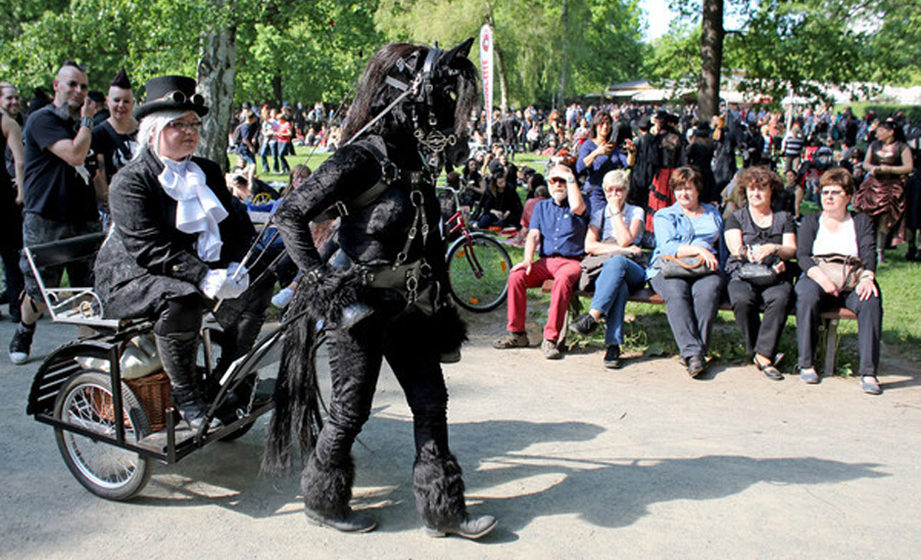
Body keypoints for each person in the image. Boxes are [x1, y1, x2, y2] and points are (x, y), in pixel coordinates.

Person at [266, 40, 496, 539]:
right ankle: (322, 498)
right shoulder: (358, 159)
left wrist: (442, 318)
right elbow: (289, 214)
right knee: (352, 410)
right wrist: (321, 282)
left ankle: (443, 511)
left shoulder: (418, 162)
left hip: (409, 306)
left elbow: (429, 240)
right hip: (359, 307)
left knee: (432, 402)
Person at [94, 74, 260, 430]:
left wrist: (237, 264)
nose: (189, 132)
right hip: (132, 274)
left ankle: (228, 377)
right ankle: (187, 396)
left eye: (194, 124)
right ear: (154, 131)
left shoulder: (208, 171)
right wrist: (203, 276)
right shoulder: (132, 179)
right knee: (182, 298)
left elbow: (232, 223)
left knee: (260, 282)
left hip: (186, 266)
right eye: (178, 125)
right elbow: (147, 248)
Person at [10, 61, 101, 365]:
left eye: (83, 86)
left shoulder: (84, 125)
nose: (79, 91)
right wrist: (88, 121)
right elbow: (75, 154)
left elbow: (94, 168)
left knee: (86, 289)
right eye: (72, 84)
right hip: (46, 218)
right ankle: (25, 328)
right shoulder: (42, 119)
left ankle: (89, 351)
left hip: (84, 218)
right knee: (39, 293)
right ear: (56, 86)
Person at [795, 168, 883, 393]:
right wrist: (822, 279)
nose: (829, 197)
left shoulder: (860, 221)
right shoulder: (811, 221)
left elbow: (869, 253)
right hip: (819, 276)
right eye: (825, 192)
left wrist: (867, 277)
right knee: (806, 293)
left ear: (848, 196)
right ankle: (806, 363)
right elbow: (803, 256)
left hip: (852, 279)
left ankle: (869, 372)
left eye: (835, 192)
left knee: (870, 298)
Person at [494, 164, 587, 359]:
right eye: (554, 180)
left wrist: (569, 177)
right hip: (545, 261)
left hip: (571, 261)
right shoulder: (541, 206)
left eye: (562, 180)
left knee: (562, 282)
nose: (558, 184)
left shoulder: (579, 202)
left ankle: (551, 338)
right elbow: (533, 235)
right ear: (547, 183)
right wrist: (527, 260)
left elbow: (578, 208)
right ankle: (517, 334)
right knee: (516, 276)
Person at [647, 166, 725, 378]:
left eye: (688, 188)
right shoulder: (665, 215)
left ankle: (694, 353)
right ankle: (694, 354)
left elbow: (723, 246)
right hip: (670, 268)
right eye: (679, 189)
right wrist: (699, 249)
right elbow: (667, 247)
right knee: (676, 292)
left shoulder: (712, 213)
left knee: (708, 292)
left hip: (705, 268)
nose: (684, 193)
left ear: (697, 189)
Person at [724, 167, 797, 380]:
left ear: (771, 191)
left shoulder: (784, 218)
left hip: (775, 274)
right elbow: (735, 249)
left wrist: (774, 249)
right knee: (741, 299)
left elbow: (790, 249)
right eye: (751, 189)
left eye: (761, 189)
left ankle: (762, 354)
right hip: (743, 272)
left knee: (781, 297)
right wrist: (753, 253)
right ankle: (762, 353)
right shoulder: (736, 217)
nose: (755, 193)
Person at [569, 169, 646, 369]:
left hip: (633, 269)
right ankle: (613, 346)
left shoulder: (636, 212)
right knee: (618, 284)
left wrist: (616, 213)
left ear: (626, 191)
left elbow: (627, 239)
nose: (614, 195)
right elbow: (590, 246)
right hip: (608, 271)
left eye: (618, 190)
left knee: (618, 263)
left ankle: (593, 316)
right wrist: (620, 250)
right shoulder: (598, 214)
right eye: (609, 191)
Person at [854, 117, 913, 263]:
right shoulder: (874, 145)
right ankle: (865, 248)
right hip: (873, 185)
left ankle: (880, 251)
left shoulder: (902, 147)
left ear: (891, 132)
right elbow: (866, 163)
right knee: (866, 217)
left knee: (885, 220)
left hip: (891, 187)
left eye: (880, 130)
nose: (877, 133)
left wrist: (890, 169)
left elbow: (909, 167)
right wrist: (872, 168)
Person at [91, 68, 138, 229]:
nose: (121, 106)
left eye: (126, 101)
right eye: (116, 100)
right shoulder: (98, 134)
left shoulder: (144, 131)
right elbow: (99, 175)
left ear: (133, 103)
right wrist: (112, 206)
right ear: (107, 101)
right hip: (113, 210)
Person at [576, 111, 630, 220]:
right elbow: (579, 167)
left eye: (608, 124)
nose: (605, 127)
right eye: (602, 124)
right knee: (599, 221)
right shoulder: (588, 144)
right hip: (596, 192)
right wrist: (597, 152)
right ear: (596, 126)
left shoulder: (611, 146)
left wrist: (632, 152)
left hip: (612, 192)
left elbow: (627, 163)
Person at [0, 83, 24, 322]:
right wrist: (21, 193)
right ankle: (17, 310)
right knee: (11, 256)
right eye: (9, 98)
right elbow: (20, 161)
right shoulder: (8, 123)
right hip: (5, 196)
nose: (14, 102)